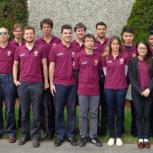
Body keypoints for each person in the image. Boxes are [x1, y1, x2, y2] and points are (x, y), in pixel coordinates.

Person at [13, 26, 49, 147]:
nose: (29, 35)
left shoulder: (41, 48)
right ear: (24, 36)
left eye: (31, 33)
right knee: (24, 112)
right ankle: (24, 134)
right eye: (27, 33)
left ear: (34, 35)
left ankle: (35, 136)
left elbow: (45, 65)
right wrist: (15, 80)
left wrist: (46, 82)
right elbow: (15, 65)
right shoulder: (19, 49)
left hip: (37, 84)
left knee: (37, 111)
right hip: (23, 84)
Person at [49, 24, 77, 147]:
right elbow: (51, 66)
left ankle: (71, 135)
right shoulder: (55, 48)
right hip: (59, 84)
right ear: (61, 34)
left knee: (72, 111)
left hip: (72, 85)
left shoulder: (76, 49)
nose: (68, 35)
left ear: (72, 34)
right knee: (59, 111)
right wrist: (51, 83)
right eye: (65, 33)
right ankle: (59, 136)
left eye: (69, 33)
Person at [73, 34, 102, 147]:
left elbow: (100, 72)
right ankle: (83, 136)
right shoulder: (79, 55)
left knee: (94, 114)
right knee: (83, 114)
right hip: (83, 89)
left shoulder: (98, 56)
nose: (90, 43)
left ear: (94, 43)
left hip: (95, 89)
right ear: (84, 42)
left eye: (91, 41)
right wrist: (82, 82)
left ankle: (93, 136)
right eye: (87, 41)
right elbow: (75, 72)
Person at [35, 18, 60, 139]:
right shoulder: (37, 42)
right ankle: (43, 128)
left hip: (56, 78)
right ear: (41, 28)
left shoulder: (58, 41)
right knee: (42, 105)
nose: (46, 29)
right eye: (44, 27)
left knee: (54, 105)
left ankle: (54, 129)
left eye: (48, 27)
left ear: (51, 28)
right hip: (41, 78)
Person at [103, 36, 128, 146]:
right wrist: (112, 80)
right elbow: (105, 73)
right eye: (113, 44)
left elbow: (126, 72)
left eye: (117, 44)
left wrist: (118, 80)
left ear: (120, 45)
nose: (115, 46)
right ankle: (112, 135)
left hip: (121, 88)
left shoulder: (125, 56)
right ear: (110, 45)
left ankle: (118, 136)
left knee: (120, 112)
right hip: (109, 88)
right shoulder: (105, 57)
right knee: (110, 112)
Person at [128, 42, 153, 149]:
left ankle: (146, 138)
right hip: (137, 93)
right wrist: (140, 90)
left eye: (144, 48)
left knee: (147, 115)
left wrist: (148, 88)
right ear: (137, 49)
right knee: (138, 115)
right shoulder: (133, 61)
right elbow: (131, 78)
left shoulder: (151, 60)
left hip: (149, 92)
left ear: (147, 49)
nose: (142, 50)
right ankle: (140, 138)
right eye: (140, 48)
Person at [0, 27, 16, 143]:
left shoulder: (14, 48)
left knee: (10, 108)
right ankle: (0, 130)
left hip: (9, 78)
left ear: (8, 35)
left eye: (5, 33)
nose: (3, 35)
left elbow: (18, 65)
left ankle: (11, 132)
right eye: (0, 33)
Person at [121, 26, 137, 136]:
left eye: (130, 36)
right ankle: (120, 128)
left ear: (133, 36)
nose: (128, 38)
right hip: (121, 82)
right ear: (122, 36)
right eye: (126, 36)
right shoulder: (118, 48)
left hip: (134, 82)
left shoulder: (137, 49)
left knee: (135, 106)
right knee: (120, 106)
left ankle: (134, 129)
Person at [94, 21, 109, 136]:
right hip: (94, 76)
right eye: (99, 29)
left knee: (105, 104)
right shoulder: (91, 42)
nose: (101, 31)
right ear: (96, 30)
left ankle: (103, 128)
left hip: (107, 76)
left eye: (103, 29)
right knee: (95, 105)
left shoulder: (110, 43)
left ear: (106, 30)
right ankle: (96, 126)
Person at [11, 23, 24, 129]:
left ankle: (21, 123)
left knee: (23, 102)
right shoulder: (10, 45)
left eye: (20, 31)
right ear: (13, 32)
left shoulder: (26, 43)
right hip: (12, 77)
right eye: (16, 31)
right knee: (11, 102)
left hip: (24, 76)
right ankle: (12, 125)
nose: (18, 33)